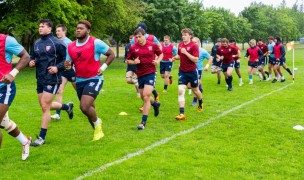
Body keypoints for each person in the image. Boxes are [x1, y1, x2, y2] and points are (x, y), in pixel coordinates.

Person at [64, 20, 115, 140]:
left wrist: (103, 67)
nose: (78, 30)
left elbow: (111, 54)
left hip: (95, 78)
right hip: (80, 80)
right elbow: (69, 63)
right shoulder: (71, 46)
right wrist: (67, 65)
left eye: (81, 28)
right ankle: (98, 132)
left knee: (84, 106)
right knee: (89, 109)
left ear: (88, 30)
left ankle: (98, 125)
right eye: (77, 28)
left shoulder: (95, 42)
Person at [29, 19, 74, 146]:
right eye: (39, 26)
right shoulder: (37, 43)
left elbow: (67, 60)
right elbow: (33, 56)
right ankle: (66, 107)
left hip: (52, 79)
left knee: (45, 107)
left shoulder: (57, 43)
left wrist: (57, 68)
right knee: (44, 106)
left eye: (42, 26)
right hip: (40, 78)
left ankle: (41, 138)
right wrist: (32, 62)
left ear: (49, 28)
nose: (40, 28)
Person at [0, 33, 31, 160]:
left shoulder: (6, 40)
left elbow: (26, 56)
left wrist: (13, 73)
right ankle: (25, 141)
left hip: (4, 88)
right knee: (4, 123)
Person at [126, 28, 163, 130]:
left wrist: (158, 61)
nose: (138, 39)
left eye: (140, 36)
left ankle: (143, 122)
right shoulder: (133, 48)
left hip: (151, 73)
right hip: (140, 74)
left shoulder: (152, 45)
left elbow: (160, 54)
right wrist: (134, 62)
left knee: (146, 96)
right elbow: (127, 60)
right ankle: (155, 104)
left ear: (144, 35)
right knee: (143, 97)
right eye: (136, 37)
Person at [171, 28, 203, 120]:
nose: (183, 36)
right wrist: (174, 58)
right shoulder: (180, 45)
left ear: (190, 36)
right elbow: (179, 55)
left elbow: (196, 59)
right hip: (182, 71)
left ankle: (200, 101)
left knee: (196, 91)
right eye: (183, 35)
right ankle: (182, 113)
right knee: (181, 91)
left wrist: (186, 53)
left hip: (192, 71)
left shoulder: (194, 46)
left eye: (185, 34)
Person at [51, 24, 76, 120]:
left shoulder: (69, 42)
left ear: (64, 31)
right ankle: (58, 114)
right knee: (59, 91)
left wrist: (71, 66)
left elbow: (73, 56)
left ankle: (86, 107)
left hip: (71, 70)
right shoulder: (55, 42)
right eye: (56, 31)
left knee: (78, 90)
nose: (57, 32)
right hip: (62, 71)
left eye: (59, 31)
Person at [132, 22, 160, 103]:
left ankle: (146, 106)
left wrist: (157, 58)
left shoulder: (152, 37)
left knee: (147, 90)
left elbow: (159, 47)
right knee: (143, 89)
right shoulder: (135, 39)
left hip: (151, 65)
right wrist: (134, 61)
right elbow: (132, 50)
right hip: (140, 66)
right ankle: (155, 98)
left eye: (142, 29)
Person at [191, 37, 212, 106]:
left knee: (195, 85)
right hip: (190, 69)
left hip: (198, 70)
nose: (193, 43)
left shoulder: (202, 51)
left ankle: (195, 100)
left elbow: (210, 58)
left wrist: (207, 66)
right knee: (190, 85)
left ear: (199, 43)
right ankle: (200, 87)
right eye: (192, 42)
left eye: (195, 42)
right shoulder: (190, 50)